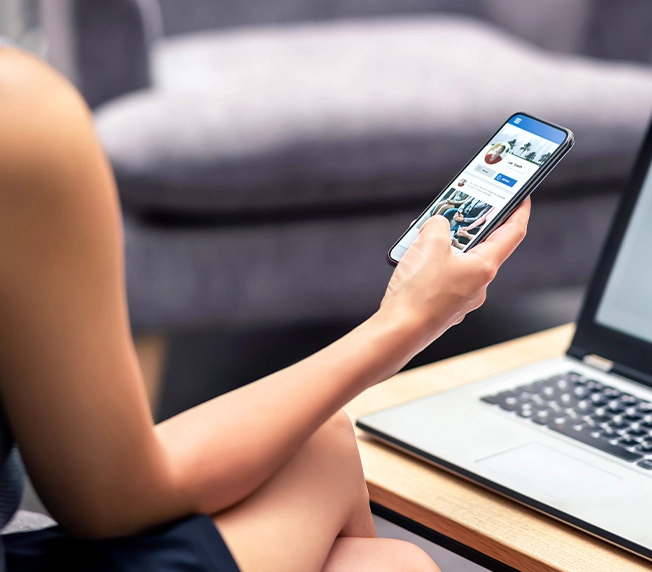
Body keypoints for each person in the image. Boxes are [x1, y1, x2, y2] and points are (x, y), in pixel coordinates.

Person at [0, 49, 530, 571]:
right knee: (388, 554)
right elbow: (111, 499)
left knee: (337, 463)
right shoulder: (20, 109)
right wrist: (405, 321)